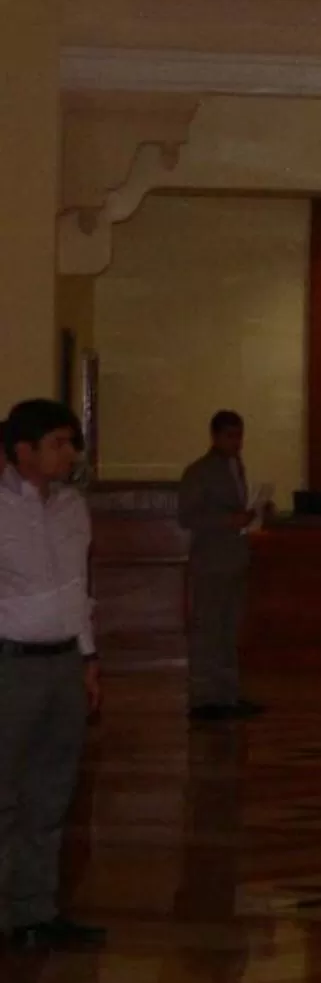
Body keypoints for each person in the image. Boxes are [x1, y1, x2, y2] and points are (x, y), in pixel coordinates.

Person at [0, 398, 106, 952]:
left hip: (65, 665)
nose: (70, 453)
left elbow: (77, 592)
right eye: (58, 443)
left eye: (70, 442)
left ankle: (34, 913)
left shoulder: (72, 508)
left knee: (50, 793)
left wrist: (88, 660)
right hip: (9, 669)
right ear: (24, 451)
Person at [177, 409, 262, 726]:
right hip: (211, 560)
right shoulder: (199, 471)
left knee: (229, 630)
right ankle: (203, 698)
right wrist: (228, 521)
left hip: (234, 558)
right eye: (230, 436)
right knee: (208, 630)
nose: (236, 442)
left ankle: (226, 694)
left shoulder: (236, 467)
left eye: (239, 436)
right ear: (215, 436)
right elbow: (187, 517)